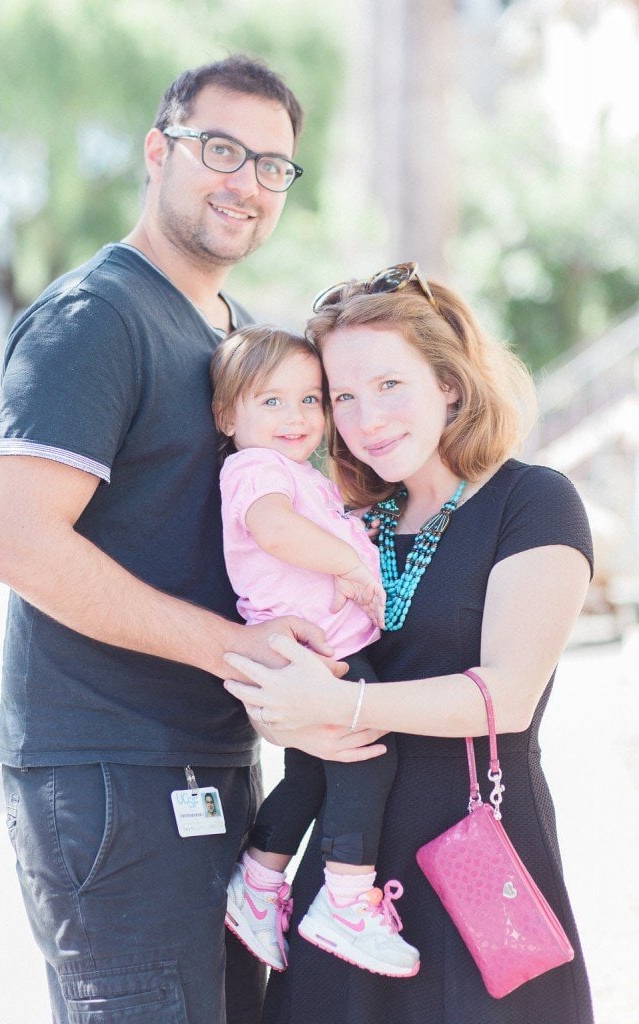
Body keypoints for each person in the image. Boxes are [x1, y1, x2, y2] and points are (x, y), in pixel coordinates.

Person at [0, 55, 383, 1024]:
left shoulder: (236, 340)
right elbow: (21, 545)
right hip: (111, 771)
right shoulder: (95, 320)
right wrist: (236, 649)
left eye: (272, 165)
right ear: (157, 150)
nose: (245, 181)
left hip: (212, 759)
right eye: (219, 149)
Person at [223, 262, 595, 1024]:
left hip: (476, 861)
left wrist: (338, 701)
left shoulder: (530, 501)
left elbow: (508, 695)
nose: (364, 419)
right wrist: (281, 703)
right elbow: (291, 676)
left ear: (449, 384)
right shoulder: (344, 525)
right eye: (342, 397)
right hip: (346, 882)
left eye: (389, 385)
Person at [210, 324, 419, 978]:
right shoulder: (255, 469)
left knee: (307, 776)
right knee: (367, 759)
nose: (295, 416)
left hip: (320, 649)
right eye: (270, 401)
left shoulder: (301, 474)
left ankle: (258, 882)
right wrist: (349, 570)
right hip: (312, 653)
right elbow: (271, 530)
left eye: (309, 400)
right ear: (226, 415)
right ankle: (348, 899)